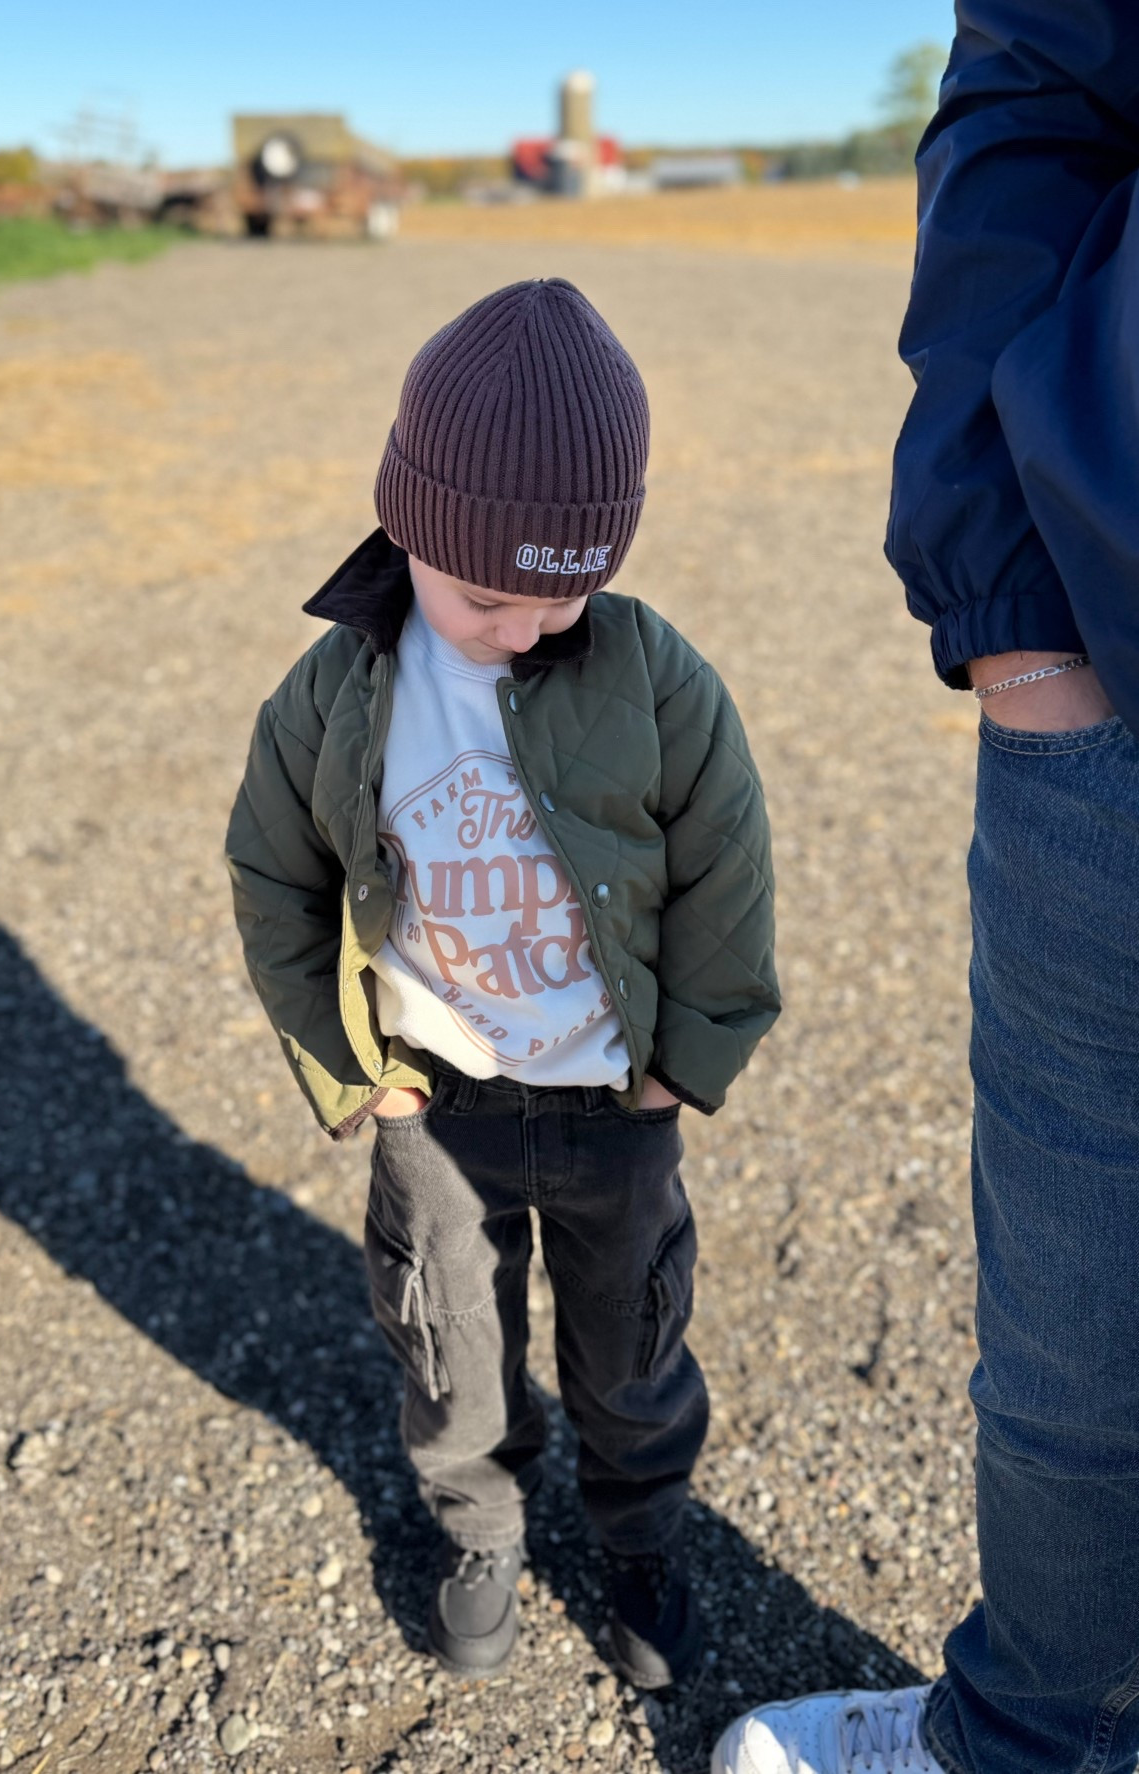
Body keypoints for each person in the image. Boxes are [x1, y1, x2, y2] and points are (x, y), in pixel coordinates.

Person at [226, 279, 779, 1687]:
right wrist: (355, 1077)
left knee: (633, 1349)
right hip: (440, 1102)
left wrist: (684, 1061)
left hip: (612, 1101)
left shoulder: (653, 676)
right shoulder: (339, 691)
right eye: (489, 595)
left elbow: (728, 859)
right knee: (451, 1350)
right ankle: (480, 1530)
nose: (529, 627)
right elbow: (272, 872)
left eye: (567, 593)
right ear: (412, 525)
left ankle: (642, 1541)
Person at [712, 3, 1139, 1770]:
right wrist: (1019, 623)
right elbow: (1040, 81)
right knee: (1075, 1356)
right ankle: (1036, 1734)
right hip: (1116, 663)